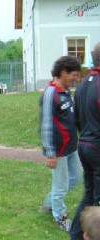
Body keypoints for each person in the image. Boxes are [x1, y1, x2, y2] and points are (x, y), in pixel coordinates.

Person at [40, 55, 82, 232]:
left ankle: (50, 203)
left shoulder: (66, 92)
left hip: (71, 148)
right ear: (63, 73)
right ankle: (60, 217)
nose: (77, 79)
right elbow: (46, 125)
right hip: (59, 151)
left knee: (77, 177)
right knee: (61, 184)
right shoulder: (51, 93)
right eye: (74, 75)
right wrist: (50, 152)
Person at [70, 42, 100, 239]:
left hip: (84, 144)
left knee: (89, 194)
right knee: (97, 198)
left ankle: (75, 234)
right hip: (97, 146)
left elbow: (77, 119)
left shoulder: (82, 84)